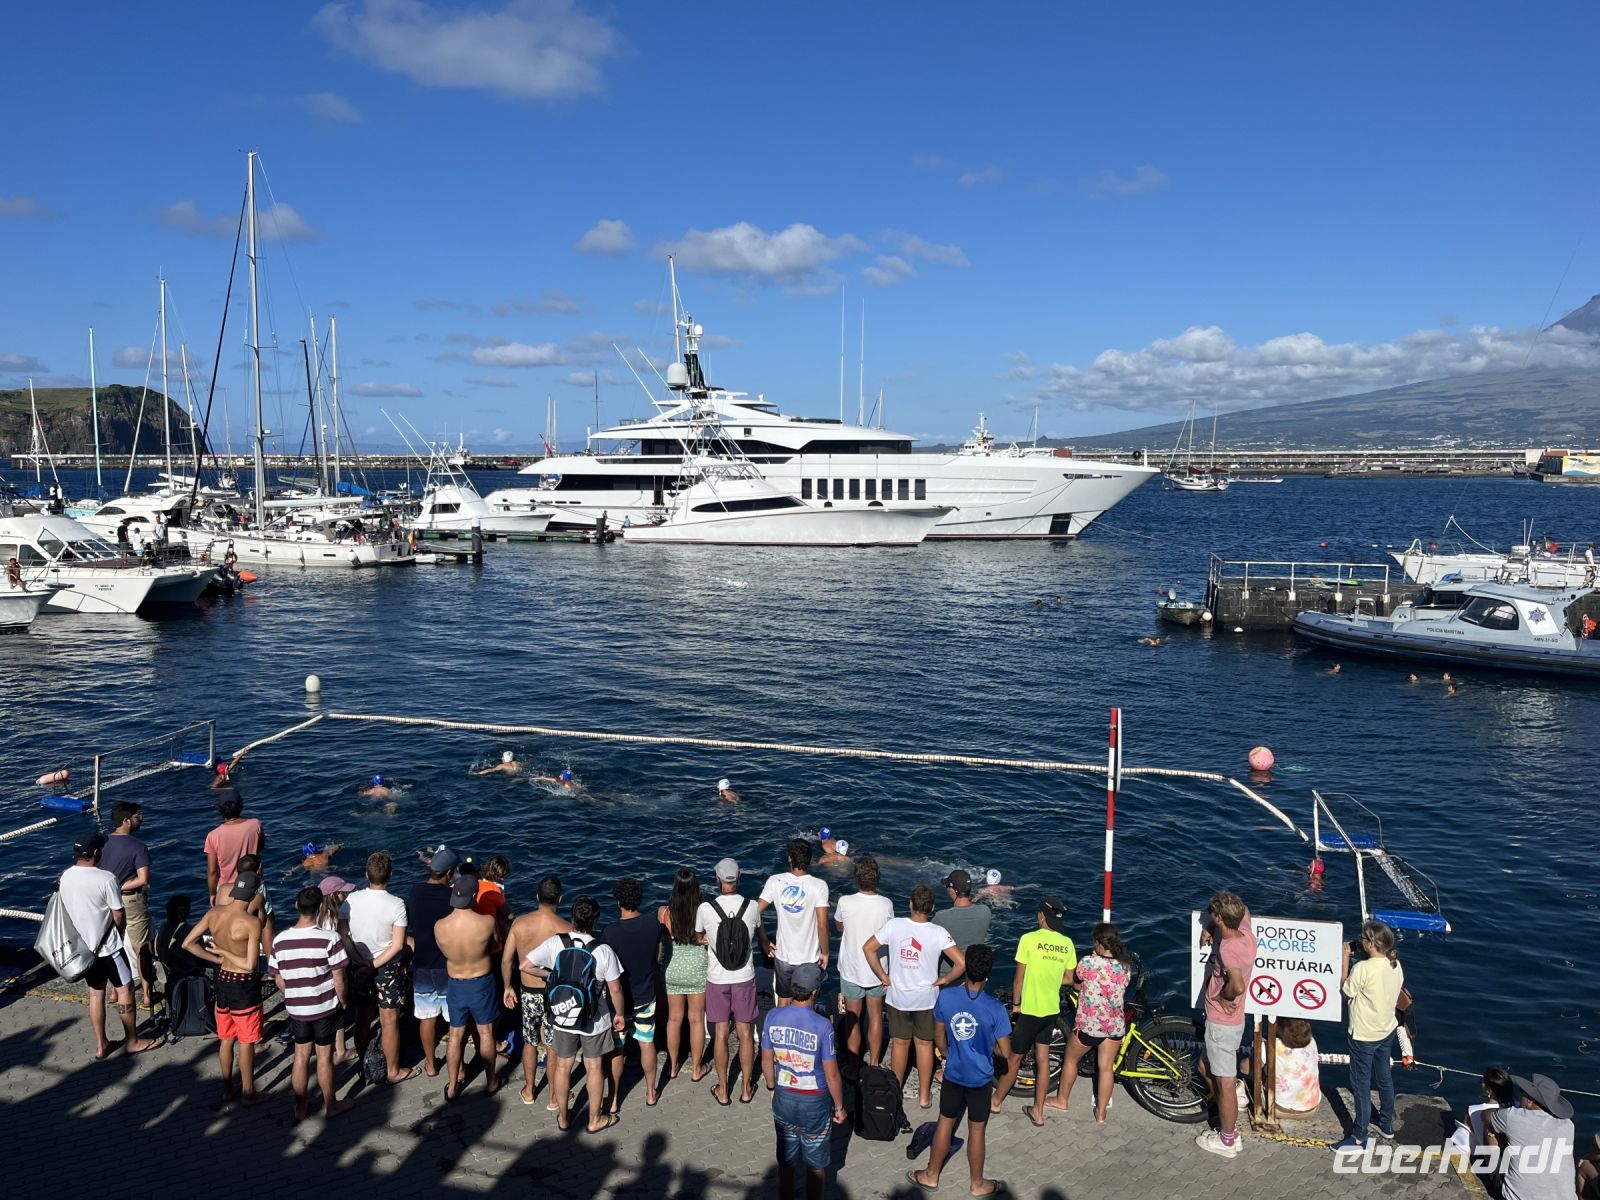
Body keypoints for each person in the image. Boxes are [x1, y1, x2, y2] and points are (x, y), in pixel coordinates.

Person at [910, 944, 1012, 1197]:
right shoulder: (995, 1008)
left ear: (966, 970)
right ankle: (977, 1183)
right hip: (980, 1079)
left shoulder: (946, 997)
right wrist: (989, 1047)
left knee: (946, 1121)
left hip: (954, 1073)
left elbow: (938, 1035)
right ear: (987, 974)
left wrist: (946, 1053)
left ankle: (931, 1175)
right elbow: (1006, 1052)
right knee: (977, 1129)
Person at [522, 895, 626, 1133]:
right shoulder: (603, 950)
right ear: (596, 920)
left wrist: (551, 976)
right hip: (595, 1019)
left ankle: (563, 1117)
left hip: (563, 1015)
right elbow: (616, 988)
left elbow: (525, 966)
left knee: (563, 1066)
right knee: (594, 1067)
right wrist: (618, 1013)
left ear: (572, 917)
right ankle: (594, 1119)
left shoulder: (556, 943)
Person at [58, 834, 160, 1059]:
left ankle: (101, 1044)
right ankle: (132, 1041)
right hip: (109, 948)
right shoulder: (106, 878)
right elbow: (118, 912)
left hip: (84, 949)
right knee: (125, 989)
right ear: (95, 853)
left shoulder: (65, 877)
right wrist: (119, 933)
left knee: (96, 993)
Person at [864, 884, 964, 1111]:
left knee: (900, 1043)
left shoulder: (894, 926)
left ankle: (896, 1091)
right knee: (924, 1045)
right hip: (927, 999)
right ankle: (924, 1096)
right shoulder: (938, 933)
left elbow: (868, 948)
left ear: (910, 904)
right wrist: (945, 980)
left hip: (898, 997)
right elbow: (962, 963)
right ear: (932, 908)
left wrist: (883, 975)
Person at [760, 962, 847, 1200]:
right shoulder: (823, 1026)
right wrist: (839, 1106)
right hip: (815, 1102)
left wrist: (771, 1086)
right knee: (816, 1165)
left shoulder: (773, 1017)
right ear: (815, 991)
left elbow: (766, 1060)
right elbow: (831, 1073)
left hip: (784, 1096)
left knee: (786, 1162)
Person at [183, 871, 272, 1104]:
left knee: (226, 1038)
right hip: (243, 985)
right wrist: (225, 953)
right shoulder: (251, 923)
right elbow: (251, 964)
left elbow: (187, 943)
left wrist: (217, 959)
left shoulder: (214, 913)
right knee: (246, 1041)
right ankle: (248, 1092)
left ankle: (227, 1089)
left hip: (222, 981)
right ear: (254, 894)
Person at [268, 885, 355, 1121]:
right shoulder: (329, 938)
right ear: (319, 909)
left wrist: (296, 991)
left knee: (301, 1055)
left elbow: (278, 978)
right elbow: (339, 978)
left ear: (297, 906)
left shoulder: (280, 940)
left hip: (297, 1008)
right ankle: (330, 1104)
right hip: (325, 1007)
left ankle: (301, 1107)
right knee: (324, 1057)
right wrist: (344, 1001)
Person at [991, 896, 1077, 1119]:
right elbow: (1069, 978)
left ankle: (996, 1101)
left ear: (1041, 916)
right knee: (1042, 1059)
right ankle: (1038, 1112)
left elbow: (1018, 979)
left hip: (1029, 1010)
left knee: (1014, 1058)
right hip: (1051, 1011)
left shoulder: (1028, 939)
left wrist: (1017, 1006)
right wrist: (1051, 976)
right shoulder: (1067, 944)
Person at [696, 857, 767, 1105]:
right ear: (739, 878)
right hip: (744, 976)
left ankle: (723, 1090)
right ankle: (746, 1089)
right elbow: (760, 934)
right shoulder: (752, 907)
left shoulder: (705, 909)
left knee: (722, 1034)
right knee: (746, 1033)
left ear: (717, 879)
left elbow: (699, 937)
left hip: (717, 978)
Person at [345, 851, 418, 1084]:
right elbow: (398, 945)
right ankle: (393, 1070)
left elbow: (343, 935)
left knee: (363, 1017)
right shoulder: (397, 904)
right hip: (386, 968)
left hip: (358, 964)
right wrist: (373, 965)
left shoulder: (350, 900)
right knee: (389, 1020)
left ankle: (364, 1063)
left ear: (366, 874)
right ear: (391, 875)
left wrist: (360, 962)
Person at [1332, 919, 1405, 1150]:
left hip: (1364, 1034)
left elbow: (1346, 989)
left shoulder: (1362, 968)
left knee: (1360, 1085)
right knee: (1384, 1076)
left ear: (1372, 943)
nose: (1359, 941)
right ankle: (1385, 1124)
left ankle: (1359, 1136)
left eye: (1363, 938)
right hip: (1386, 1029)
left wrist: (1345, 959)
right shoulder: (1395, 964)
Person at [1049, 921, 1131, 1124]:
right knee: (1106, 1068)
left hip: (1089, 1026)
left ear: (1097, 942)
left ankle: (1061, 1100)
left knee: (1070, 1060)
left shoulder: (1087, 963)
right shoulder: (1125, 967)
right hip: (1114, 1027)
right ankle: (1101, 1113)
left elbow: (1076, 985)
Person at [1195, 889, 1257, 1158]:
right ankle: (1231, 1100)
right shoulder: (1245, 933)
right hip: (1231, 1022)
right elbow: (1244, 911)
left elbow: (1238, 985)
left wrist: (1223, 995)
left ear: (1220, 917)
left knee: (1225, 1082)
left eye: (1212, 917)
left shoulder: (1230, 949)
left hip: (1223, 1023)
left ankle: (1228, 1139)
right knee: (1203, 1064)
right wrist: (1210, 926)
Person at [502, 874, 572, 1106]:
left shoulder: (520, 923)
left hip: (528, 991)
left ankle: (530, 1090)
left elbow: (506, 961)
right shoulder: (566, 928)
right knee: (553, 1045)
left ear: (536, 896)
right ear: (560, 899)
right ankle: (554, 1096)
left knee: (530, 1041)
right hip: (554, 994)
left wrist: (507, 986)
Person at [435, 875, 502, 1100]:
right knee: (486, 1033)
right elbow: (495, 944)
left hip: (455, 982)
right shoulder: (486, 923)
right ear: (474, 896)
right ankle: (491, 1081)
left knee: (455, 1035)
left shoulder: (440, 926)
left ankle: (453, 1086)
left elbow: (444, 952)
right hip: (481, 981)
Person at [601, 877, 662, 1109]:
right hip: (646, 996)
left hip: (621, 1002)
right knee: (647, 1043)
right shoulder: (652, 925)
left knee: (618, 1048)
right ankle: (650, 1093)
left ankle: (614, 1099)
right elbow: (656, 958)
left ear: (618, 902)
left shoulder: (610, 932)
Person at [833, 854, 893, 1071]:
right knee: (876, 1015)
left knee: (853, 1018)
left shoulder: (845, 902)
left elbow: (839, 927)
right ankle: (875, 1063)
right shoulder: (886, 904)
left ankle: (852, 1064)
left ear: (856, 878)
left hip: (852, 968)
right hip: (878, 970)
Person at [759, 839, 831, 1007]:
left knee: (783, 1001)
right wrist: (825, 952)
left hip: (783, 956)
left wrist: (763, 940)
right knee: (808, 1002)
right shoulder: (819, 885)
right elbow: (822, 926)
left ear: (790, 858)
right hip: (809, 958)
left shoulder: (775, 881)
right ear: (810, 859)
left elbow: (754, 913)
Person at [1482, 1074, 1577, 1200]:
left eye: (1523, 1092)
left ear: (1530, 1100)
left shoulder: (1514, 1117)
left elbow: (1485, 1115)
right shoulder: (1568, 1125)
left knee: (1490, 1129)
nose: (1520, 1096)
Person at [407, 846, 459, 1076]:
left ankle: (429, 1064)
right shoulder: (451, 898)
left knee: (426, 1017)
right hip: (446, 964)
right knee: (454, 1021)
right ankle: (458, 1067)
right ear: (449, 873)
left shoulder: (415, 892)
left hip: (421, 964)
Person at [100, 801, 155, 1012]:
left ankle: (115, 990)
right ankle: (148, 995)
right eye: (137, 815)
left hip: (106, 901)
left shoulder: (103, 842)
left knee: (113, 945)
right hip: (131, 901)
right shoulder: (137, 846)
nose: (140, 818)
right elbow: (143, 879)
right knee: (141, 946)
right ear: (126, 820)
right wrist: (121, 885)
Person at [659, 866, 710, 1082]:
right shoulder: (704, 910)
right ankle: (697, 1068)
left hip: (672, 968)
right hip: (697, 968)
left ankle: (672, 1066)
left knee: (674, 1019)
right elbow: (706, 939)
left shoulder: (664, 912)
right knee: (696, 1020)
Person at [204, 789, 263, 899]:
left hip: (226, 890)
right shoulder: (255, 824)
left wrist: (212, 894)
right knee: (266, 915)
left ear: (220, 809)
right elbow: (260, 847)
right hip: (254, 885)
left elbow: (212, 872)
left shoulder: (213, 836)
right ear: (240, 806)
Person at [934, 868, 992, 976]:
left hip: (947, 976)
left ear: (952, 890)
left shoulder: (941, 917)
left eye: (948, 886)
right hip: (973, 975)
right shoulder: (985, 912)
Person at [1272, 1018, 1322, 1118]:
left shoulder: (1272, 1045)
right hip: (1311, 1108)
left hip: (1278, 1109)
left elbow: (1245, 1068)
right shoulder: (1312, 1042)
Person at [156, 893, 206, 983]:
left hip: (167, 967)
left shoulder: (163, 926)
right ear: (186, 912)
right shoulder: (188, 930)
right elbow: (201, 956)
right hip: (184, 970)